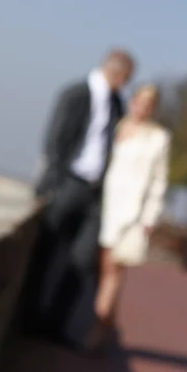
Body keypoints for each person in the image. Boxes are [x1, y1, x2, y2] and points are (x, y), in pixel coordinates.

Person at [21, 49, 135, 349]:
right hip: (69, 182)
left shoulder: (117, 104)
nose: (126, 84)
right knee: (46, 252)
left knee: (83, 259)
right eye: (126, 78)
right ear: (117, 72)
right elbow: (55, 139)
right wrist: (56, 184)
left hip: (96, 193)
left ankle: (54, 324)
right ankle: (28, 320)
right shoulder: (76, 93)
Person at [91, 85, 171, 347]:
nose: (142, 108)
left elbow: (159, 181)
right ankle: (108, 324)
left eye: (148, 105)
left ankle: (98, 328)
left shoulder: (159, 138)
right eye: (139, 102)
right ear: (133, 102)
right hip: (106, 206)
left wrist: (150, 217)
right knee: (106, 267)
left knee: (112, 269)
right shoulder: (116, 127)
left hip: (131, 213)